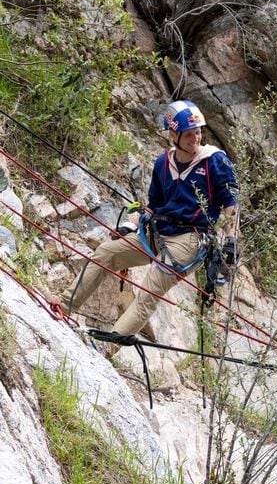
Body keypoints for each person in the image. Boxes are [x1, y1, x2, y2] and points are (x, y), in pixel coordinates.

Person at [58, 100, 238, 351]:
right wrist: (130, 226)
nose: (195, 138)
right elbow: (152, 205)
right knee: (106, 253)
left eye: (198, 132)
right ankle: (63, 305)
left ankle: (106, 347)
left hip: (191, 239)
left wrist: (231, 239)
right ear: (173, 135)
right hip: (157, 230)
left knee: (149, 291)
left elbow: (231, 203)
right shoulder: (163, 163)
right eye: (188, 134)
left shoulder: (215, 161)